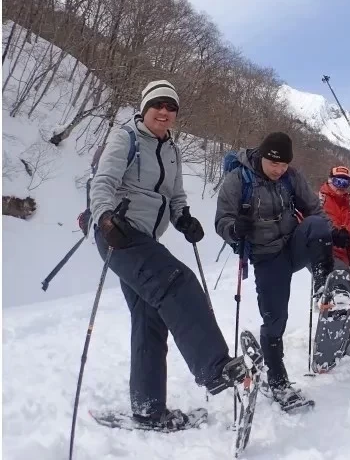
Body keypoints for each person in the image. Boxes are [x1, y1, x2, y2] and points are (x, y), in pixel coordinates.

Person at [91, 80, 248, 429]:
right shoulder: (126, 137)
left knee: (150, 320)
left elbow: (175, 195)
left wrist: (183, 218)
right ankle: (216, 368)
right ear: (145, 108)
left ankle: (148, 409)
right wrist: (103, 216)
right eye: (158, 105)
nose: (164, 112)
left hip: (144, 239)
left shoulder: (172, 150)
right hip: (118, 232)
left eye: (171, 107)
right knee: (178, 282)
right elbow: (103, 182)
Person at [215, 131, 333, 406]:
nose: (279, 170)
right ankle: (277, 381)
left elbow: (315, 211)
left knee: (318, 226)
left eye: (283, 165)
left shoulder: (292, 177)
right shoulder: (237, 180)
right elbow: (222, 221)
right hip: (267, 257)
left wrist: (332, 234)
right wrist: (234, 229)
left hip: (292, 245)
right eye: (274, 164)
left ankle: (323, 288)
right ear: (262, 156)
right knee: (275, 320)